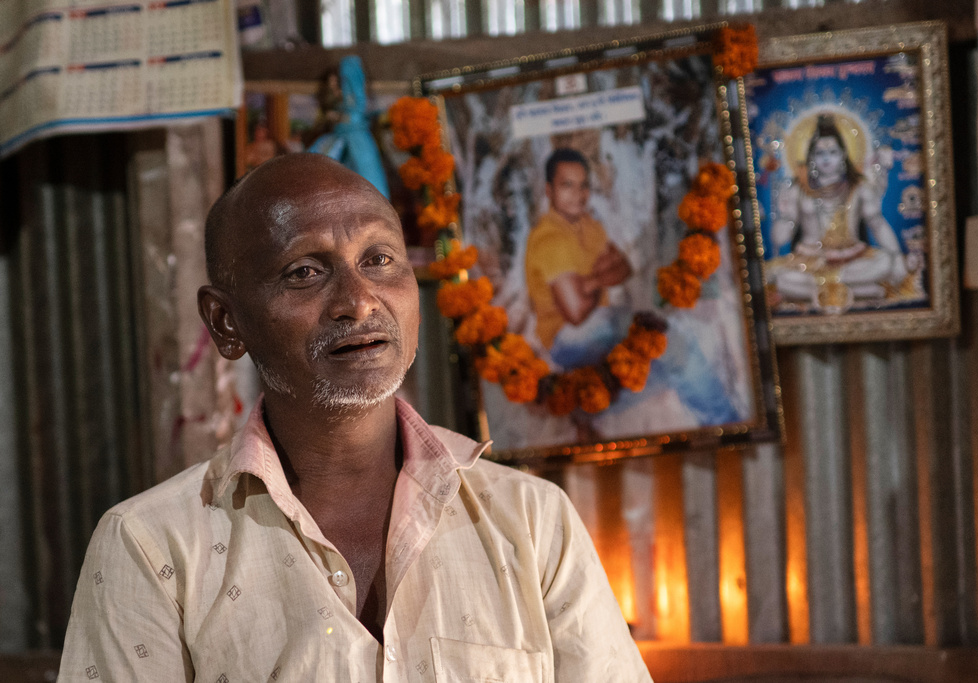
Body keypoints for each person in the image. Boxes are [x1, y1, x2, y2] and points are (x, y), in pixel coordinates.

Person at [58, 153, 652, 682]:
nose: (359, 300)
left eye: (380, 258)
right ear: (225, 322)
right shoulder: (152, 546)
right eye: (304, 272)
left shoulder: (532, 522)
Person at [767, 114, 907, 311]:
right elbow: (780, 239)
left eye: (832, 152)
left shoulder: (858, 187)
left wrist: (897, 256)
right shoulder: (798, 190)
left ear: (843, 155)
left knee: (886, 263)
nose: (826, 158)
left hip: (852, 260)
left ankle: (830, 290)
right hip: (809, 264)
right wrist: (783, 215)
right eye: (819, 153)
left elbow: (877, 223)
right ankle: (863, 291)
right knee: (780, 277)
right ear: (811, 158)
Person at [524, 148, 632, 366]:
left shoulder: (590, 225)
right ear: (549, 190)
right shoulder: (550, 239)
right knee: (664, 348)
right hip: (564, 342)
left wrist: (590, 282)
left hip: (599, 323)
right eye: (567, 185)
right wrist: (603, 277)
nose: (578, 194)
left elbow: (625, 268)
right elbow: (576, 314)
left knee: (664, 335)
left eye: (584, 185)